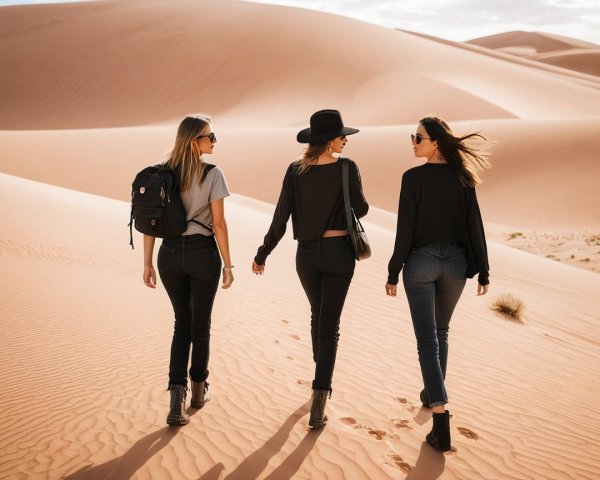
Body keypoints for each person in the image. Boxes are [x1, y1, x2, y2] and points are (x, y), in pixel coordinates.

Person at [252, 109, 369, 428]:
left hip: (305, 256)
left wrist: (263, 253)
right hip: (339, 253)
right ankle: (320, 397)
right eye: (342, 135)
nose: (346, 139)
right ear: (330, 140)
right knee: (329, 325)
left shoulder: (294, 170)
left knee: (318, 316)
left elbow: (280, 217)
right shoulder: (347, 168)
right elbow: (361, 209)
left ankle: (321, 375)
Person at [385, 116, 490, 451]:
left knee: (427, 340)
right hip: (456, 265)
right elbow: (476, 227)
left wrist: (393, 270)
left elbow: (406, 228)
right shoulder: (463, 178)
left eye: (417, 138)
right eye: (412, 137)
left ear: (435, 142)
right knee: (440, 333)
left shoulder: (413, 178)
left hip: (421, 263)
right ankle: (432, 393)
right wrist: (483, 271)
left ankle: (440, 416)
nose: (412, 143)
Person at [143, 114, 234, 426]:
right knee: (200, 326)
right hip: (202, 254)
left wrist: (146, 262)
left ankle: (175, 401)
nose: (214, 141)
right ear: (195, 140)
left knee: (182, 324)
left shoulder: (161, 172)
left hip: (168, 256)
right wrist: (229, 264)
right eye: (210, 136)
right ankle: (197, 391)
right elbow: (219, 223)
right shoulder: (212, 173)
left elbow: (150, 221)